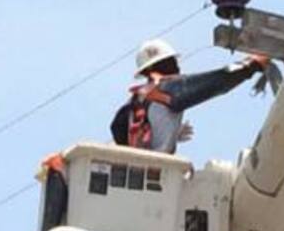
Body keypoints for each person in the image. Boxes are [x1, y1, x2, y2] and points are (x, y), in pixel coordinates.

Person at [110, 38, 273, 154]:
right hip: (156, 169)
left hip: (138, 167)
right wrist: (251, 65)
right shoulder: (168, 87)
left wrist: (167, 133)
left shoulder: (137, 97)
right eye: (171, 61)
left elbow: (118, 129)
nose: (177, 66)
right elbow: (216, 81)